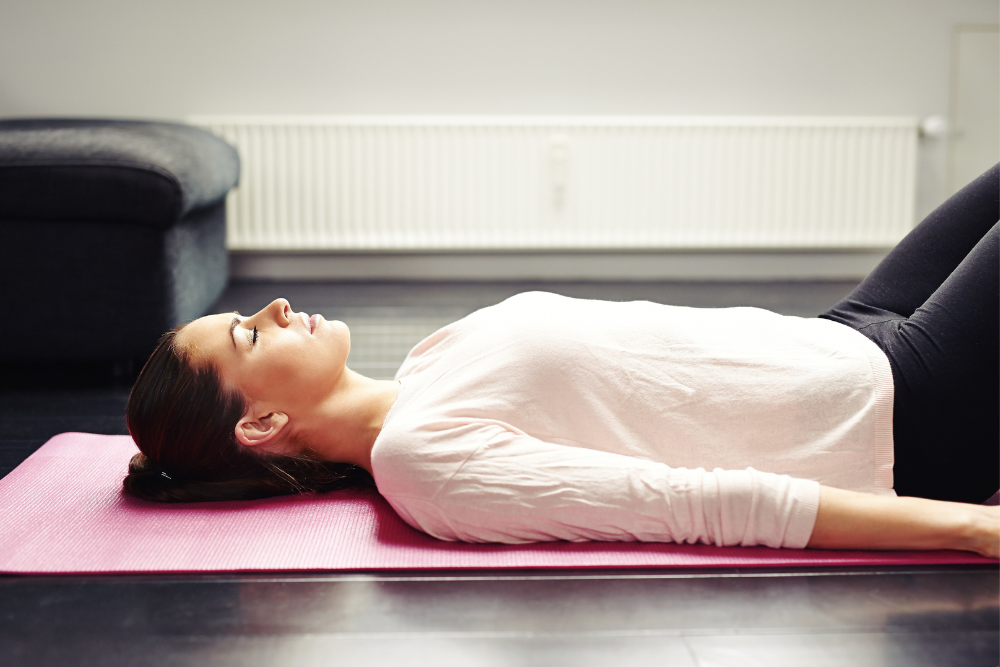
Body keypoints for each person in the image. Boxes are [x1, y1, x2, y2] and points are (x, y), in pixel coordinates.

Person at [124, 165, 1000, 558]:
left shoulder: (427, 366)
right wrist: (969, 528)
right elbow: (694, 504)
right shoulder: (420, 460)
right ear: (261, 423)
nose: (272, 306)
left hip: (850, 337)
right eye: (248, 333)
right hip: (912, 412)